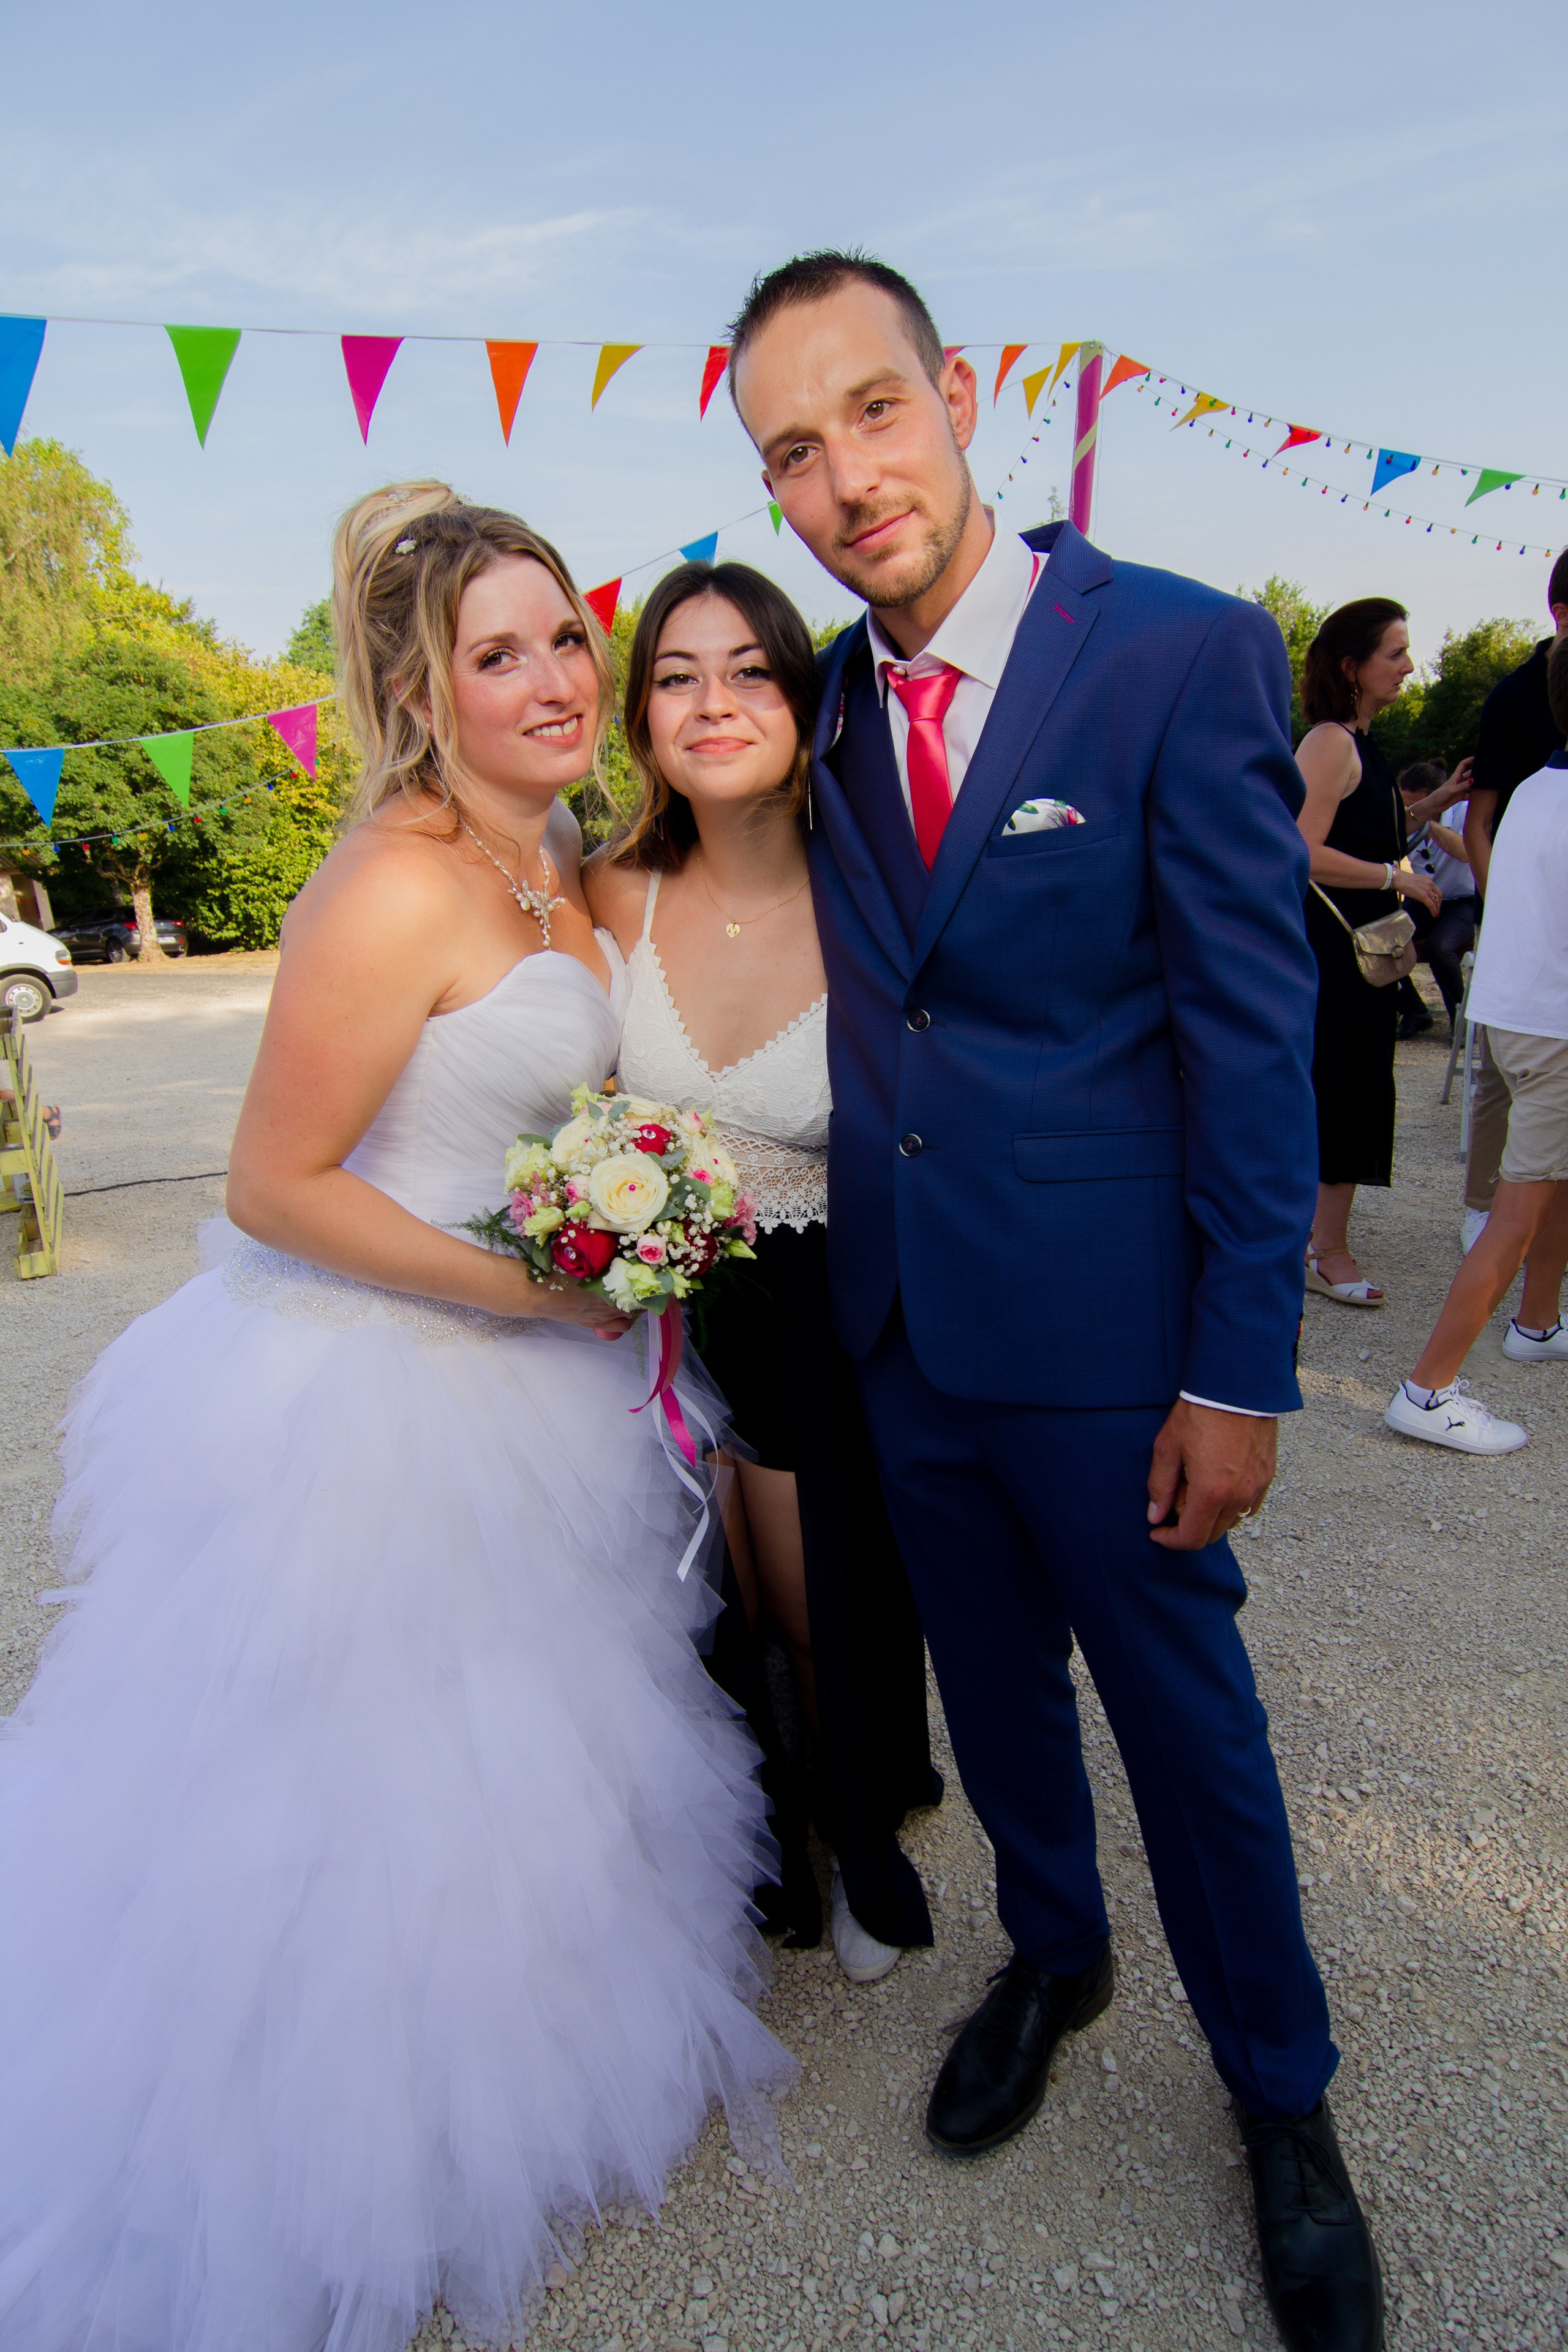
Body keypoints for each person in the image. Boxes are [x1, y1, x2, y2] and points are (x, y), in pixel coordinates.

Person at [0, 485, 794, 2352]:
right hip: (378, 1391)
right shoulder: (392, 877)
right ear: (421, 691)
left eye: (557, 641)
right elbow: (277, 1180)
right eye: (492, 653)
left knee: (531, 1736)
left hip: (550, 1378)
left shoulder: (565, 863)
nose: (543, 680)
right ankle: (321, 2127)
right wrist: (538, 1287)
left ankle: (519, 2028)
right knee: (345, 1786)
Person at [727, 250, 1383, 2352]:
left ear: (959, 399)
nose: (845, 480)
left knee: (1193, 1731)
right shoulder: (820, 704)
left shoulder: (1179, 655)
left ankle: (1283, 2098)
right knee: (997, 1699)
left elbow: (1250, 1037)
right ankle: (1056, 1952)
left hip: (1118, 1349)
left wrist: (1236, 1363)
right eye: (791, 453)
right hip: (911, 1333)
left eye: (873, 414)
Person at [587, 558, 942, 1985]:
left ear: (805, 699)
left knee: (808, 1597)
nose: (711, 700)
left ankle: (857, 1833)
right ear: (642, 718)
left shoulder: (876, 889)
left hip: (817, 1302)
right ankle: (746, 1839)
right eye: (676, 674)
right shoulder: (607, 882)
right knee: (683, 1597)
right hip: (644, 1300)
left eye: (748, 669)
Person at [1386, 635, 1568, 1455]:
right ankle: (1429, 1388)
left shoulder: (1533, 790)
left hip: (1519, 1016)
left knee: (1547, 1188)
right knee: (1519, 1210)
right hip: (1554, 1027)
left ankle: (1537, 1321)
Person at [1295, 601, 1442, 1306]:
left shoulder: (1360, 742)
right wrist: (1395, 878)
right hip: (1335, 953)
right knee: (1345, 1088)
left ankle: (1316, 1241)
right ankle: (1327, 1250)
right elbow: (1300, 850)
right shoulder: (1330, 741)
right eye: (1395, 652)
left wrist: (1435, 802)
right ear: (1352, 666)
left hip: (1361, 953)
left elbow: (1368, 831)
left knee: (1351, 1086)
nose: (1408, 666)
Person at [1458, 551, 1568, 1251]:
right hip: (1522, 925)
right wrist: (1513, 920)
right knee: (1504, 1076)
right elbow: (1477, 823)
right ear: (1562, 614)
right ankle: (1480, 1211)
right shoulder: (1514, 698)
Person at [1396, 756, 1477, 1036]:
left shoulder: (1465, 812)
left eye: (1415, 805)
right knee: (1380, 939)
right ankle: (1414, 1011)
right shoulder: (1405, 819)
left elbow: (1466, 852)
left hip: (1464, 901)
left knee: (1439, 947)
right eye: (1406, 806)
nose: (1410, 811)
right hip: (1423, 898)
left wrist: (1428, 822)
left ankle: (1462, 1022)